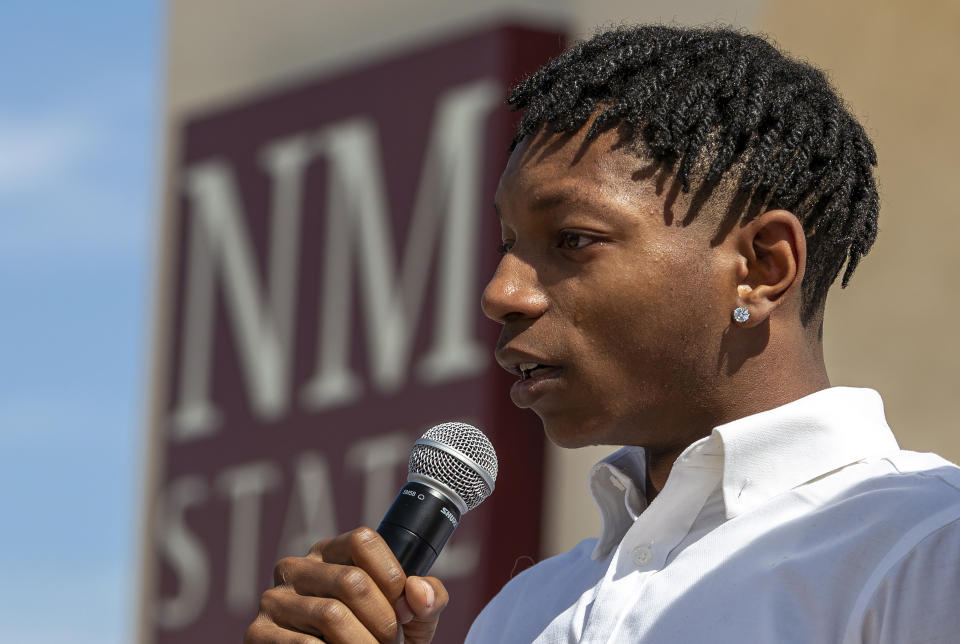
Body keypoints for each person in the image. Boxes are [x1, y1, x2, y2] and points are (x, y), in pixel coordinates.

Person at [245, 25, 960, 643]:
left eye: (573, 239)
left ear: (762, 267)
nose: (501, 295)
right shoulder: (525, 613)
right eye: (506, 244)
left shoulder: (926, 551)